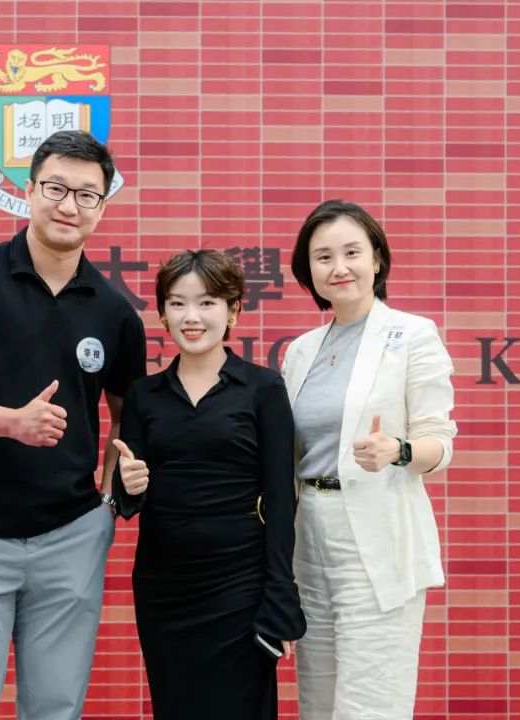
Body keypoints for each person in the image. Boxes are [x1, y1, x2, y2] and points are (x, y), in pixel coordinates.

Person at [0, 130, 146, 720]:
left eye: (87, 195)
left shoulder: (115, 312)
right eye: (56, 188)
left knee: (56, 707)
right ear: (29, 190)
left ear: (102, 206)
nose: (69, 206)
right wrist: (8, 422)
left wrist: (107, 504)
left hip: (72, 536)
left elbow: (127, 416)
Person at [111, 249, 306, 720]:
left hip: (241, 581)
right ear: (163, 313)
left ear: (233, 309)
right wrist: (129, 484)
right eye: (177, 304)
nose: (191, 317)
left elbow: (282, 498)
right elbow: (127, 497)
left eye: (206, 303)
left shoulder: (262, 388)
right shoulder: (143, 394)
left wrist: (280, 591)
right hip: (165, 587)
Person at [282, 200, 457, 720]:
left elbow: (439, 441)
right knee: (317, 701)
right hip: (308, 536)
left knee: (370, 704)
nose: (339, 267)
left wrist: (398, 450)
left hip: (376, 538)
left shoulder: (413, 334)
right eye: (323, 257)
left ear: (376, 258)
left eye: (352, 252)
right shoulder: (301, 350)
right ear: (308, 270)